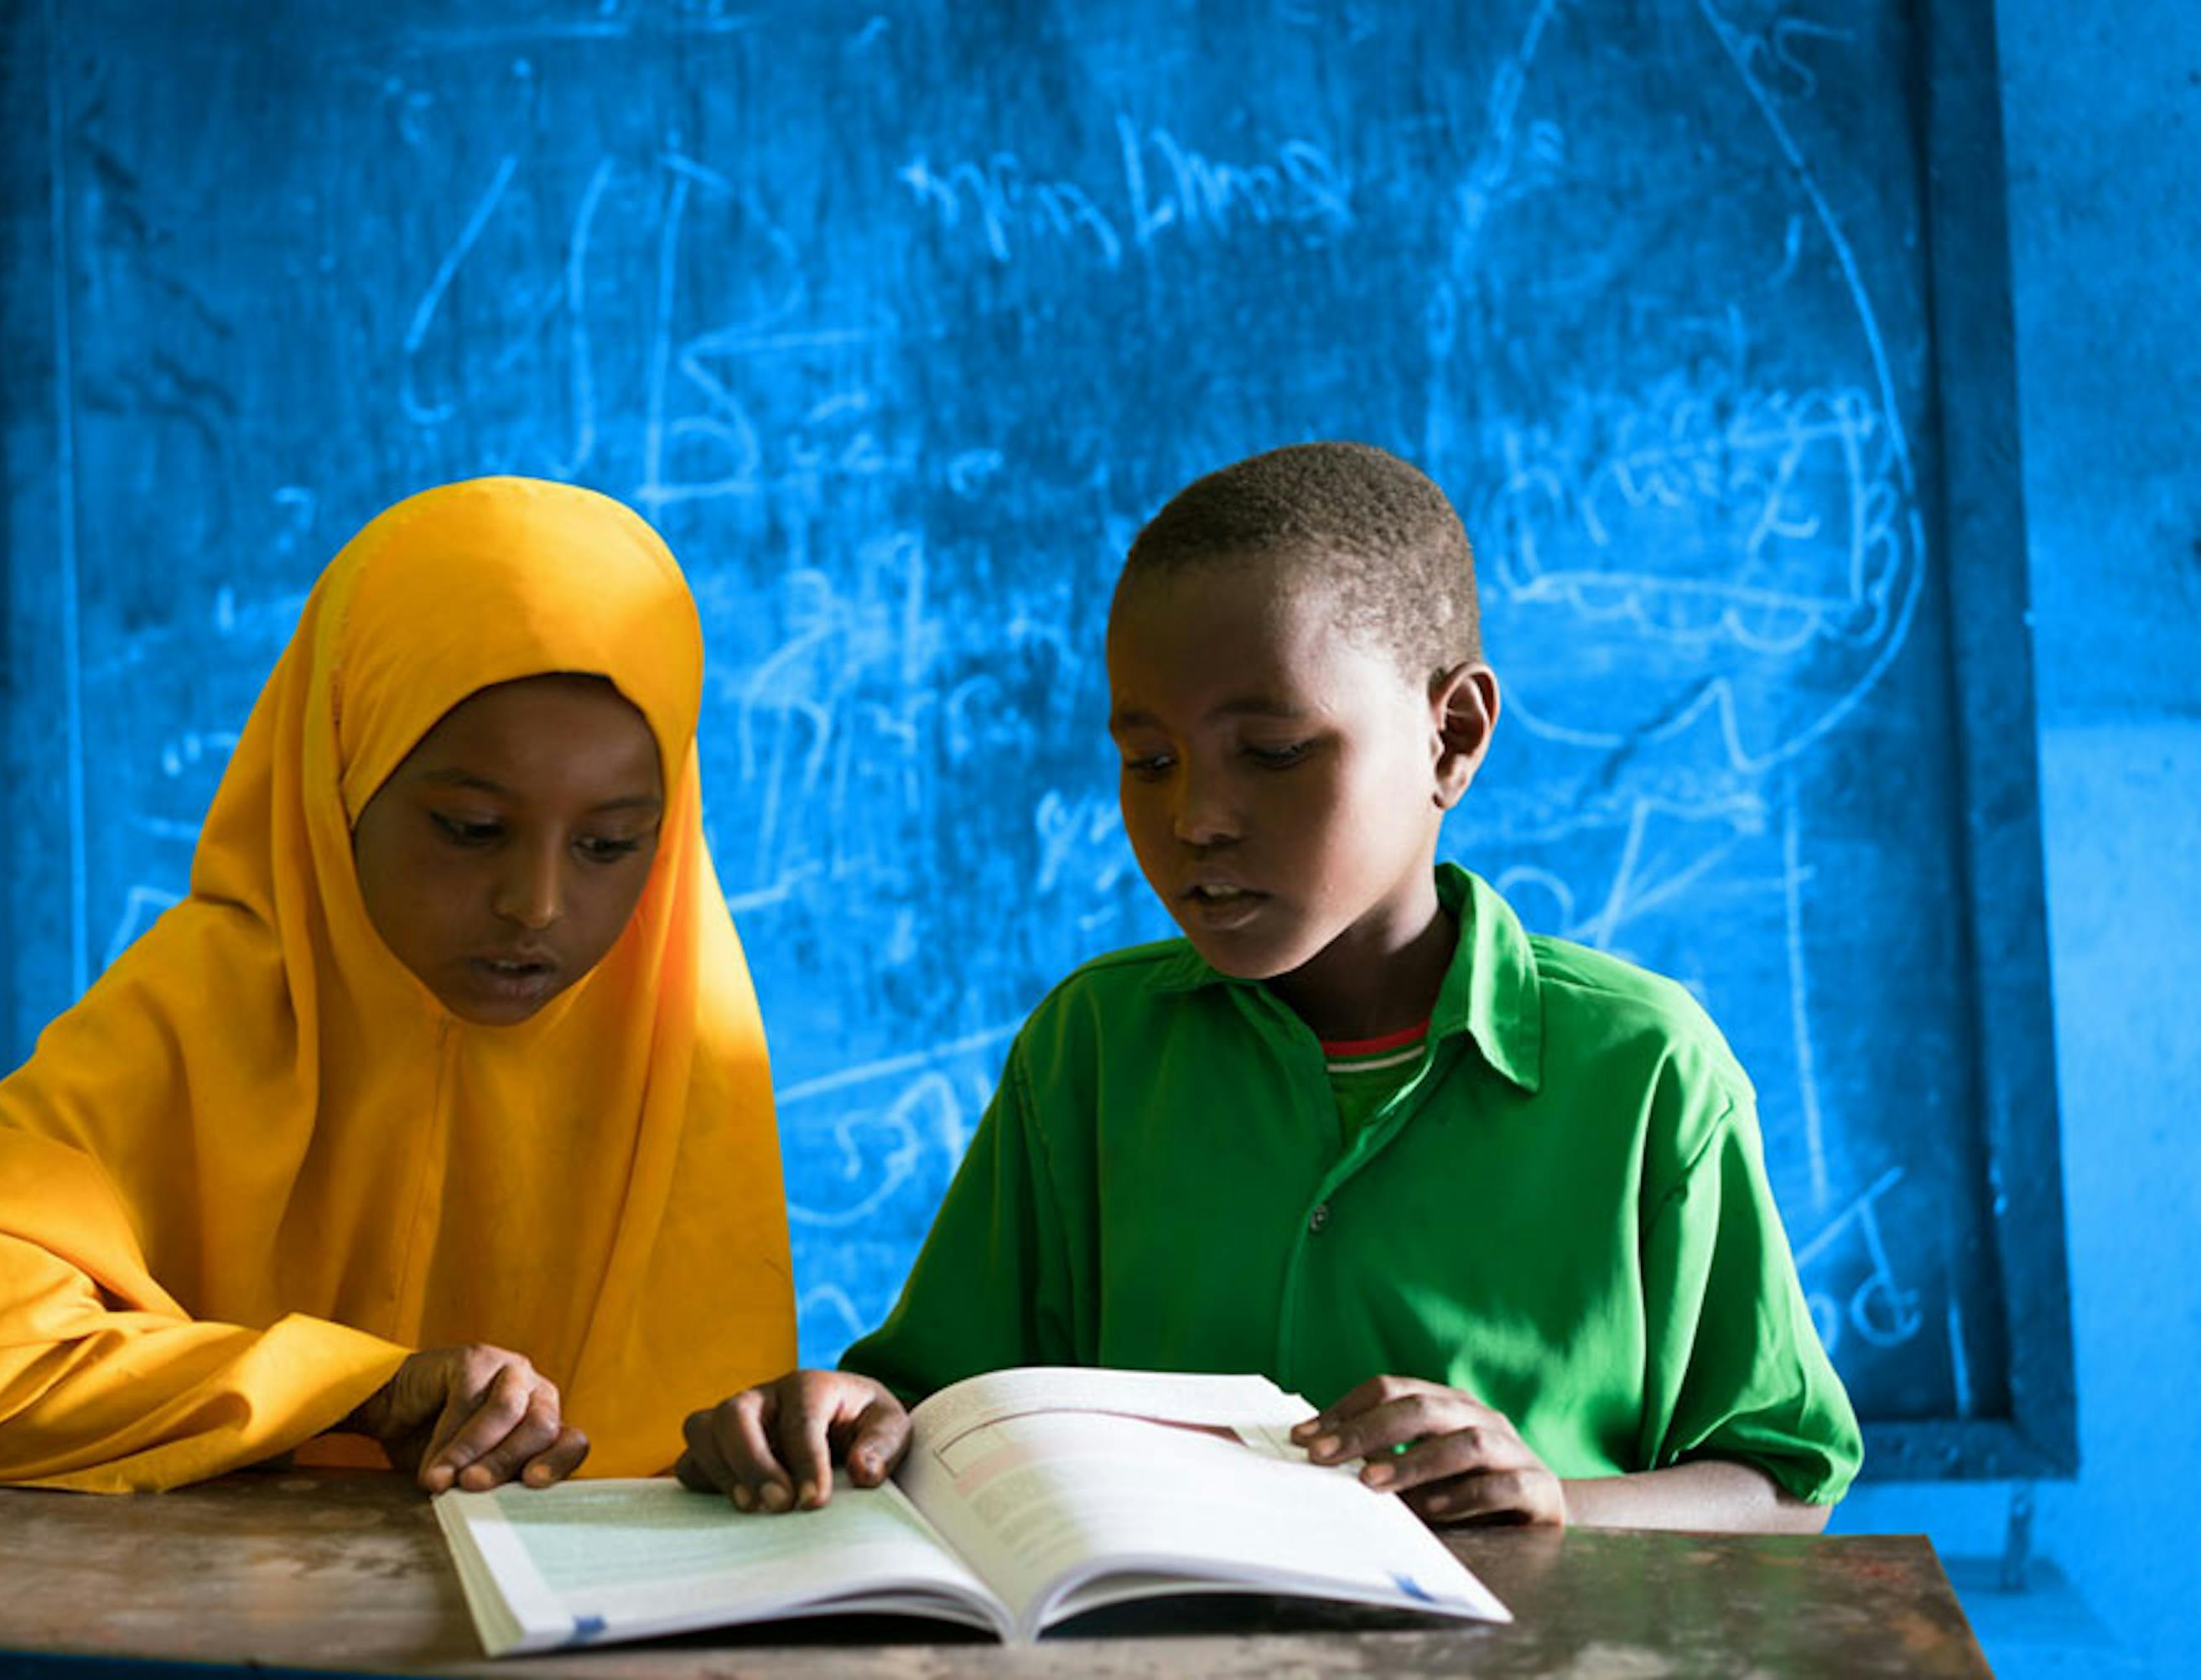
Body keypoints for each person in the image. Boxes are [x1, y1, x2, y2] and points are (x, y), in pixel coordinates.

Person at [674, 442, 1860, 1530]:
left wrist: (1559, 1502)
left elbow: (1783, 1482)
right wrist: (840, 1415)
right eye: (1148, 760)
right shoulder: (1095, 1049)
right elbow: (936, 1404)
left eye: (1278, 753)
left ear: (1452, 737)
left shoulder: (1641, 1068)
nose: (1195, 818)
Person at [0, 477, 794, 1494]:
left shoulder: (682, 1042)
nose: (537, 905)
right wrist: (349, 1390)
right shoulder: (197, 1016)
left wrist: (786, 1441)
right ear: (337, 783)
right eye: (470, 829)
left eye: (610, 846)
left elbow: (706, 1461)